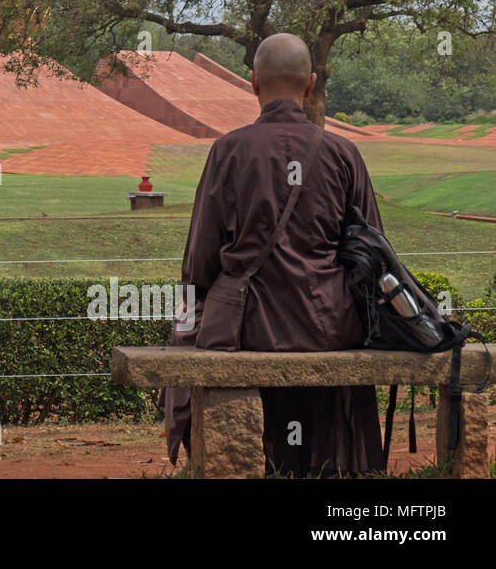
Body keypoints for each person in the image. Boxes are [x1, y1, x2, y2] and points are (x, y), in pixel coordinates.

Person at [163, 33, 386, 477]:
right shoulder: (343, 153)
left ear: (252, 83)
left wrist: (195, 311)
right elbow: (371, 249)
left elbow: (200, 259)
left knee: (186, 330)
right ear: (310, 84)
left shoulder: (229, 150)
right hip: (328, 325)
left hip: (249, 326)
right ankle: (327, 465)